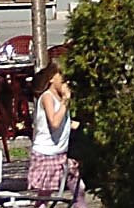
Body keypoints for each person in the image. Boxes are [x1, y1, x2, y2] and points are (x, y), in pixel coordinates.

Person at [27, 63, 85, 208]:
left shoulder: (61, 99)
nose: (66, 84)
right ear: (52, 78)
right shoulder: (47, 97)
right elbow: (54, 122)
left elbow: (63, 122)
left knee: (79, 189)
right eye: (63, 79)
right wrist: (66, 100)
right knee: (44, 196)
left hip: (62, 154)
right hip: (46, 154)